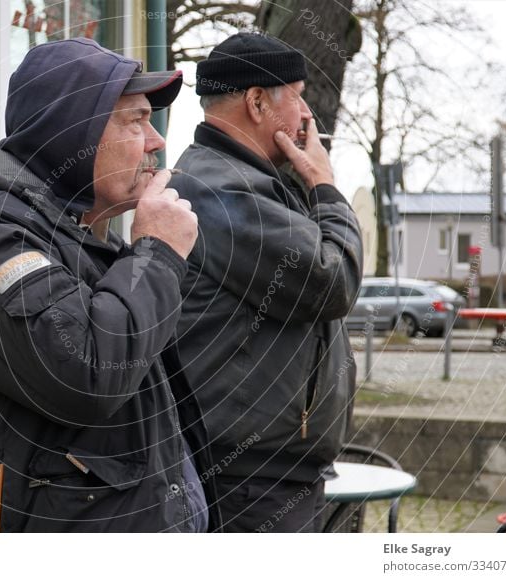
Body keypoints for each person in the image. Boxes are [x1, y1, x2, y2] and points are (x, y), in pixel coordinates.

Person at [0, 38, 218, 532]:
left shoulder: (82, 237)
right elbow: (87, 371)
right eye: (134, 120)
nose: (156, 141)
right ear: (69, 133)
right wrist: (158, 252)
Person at [170, 32, 363, 532]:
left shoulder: (250, 182)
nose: (306, 116)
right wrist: (325, 186)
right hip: (250, 480)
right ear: (256, 101)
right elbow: (331, 279)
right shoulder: (222, 189)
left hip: (267, 472)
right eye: (295, 95)